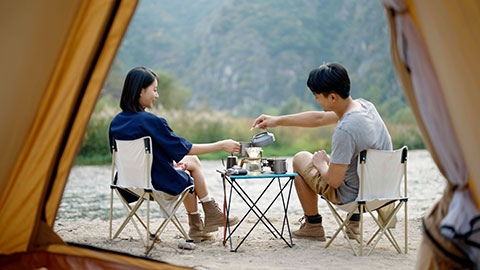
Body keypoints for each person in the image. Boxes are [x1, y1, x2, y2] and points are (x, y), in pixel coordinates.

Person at [252, 62, 392, 241]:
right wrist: (276, 120)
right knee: (349, 160)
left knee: (300, 158)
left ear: (332, 97)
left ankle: (313, 225)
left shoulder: (345, 129)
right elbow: (319, 118)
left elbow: (333, 181)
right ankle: (354, 223)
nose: (316, 100)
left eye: (317, 96)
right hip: (382, 191)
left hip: (353, 197)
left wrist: (321, 163)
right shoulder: (366, 107)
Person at [109, 67, 239, 243]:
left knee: (189, 162)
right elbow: (186, 148)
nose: (157, 95)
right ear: (141, 90)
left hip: (127, 185)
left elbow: (131, 158)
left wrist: (167, 166)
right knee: (189, 169)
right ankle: (205, 218)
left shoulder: (116, 122)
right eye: (154, 90)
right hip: (156, 184)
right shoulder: (152, 122)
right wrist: (221, 145)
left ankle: (205, 219)